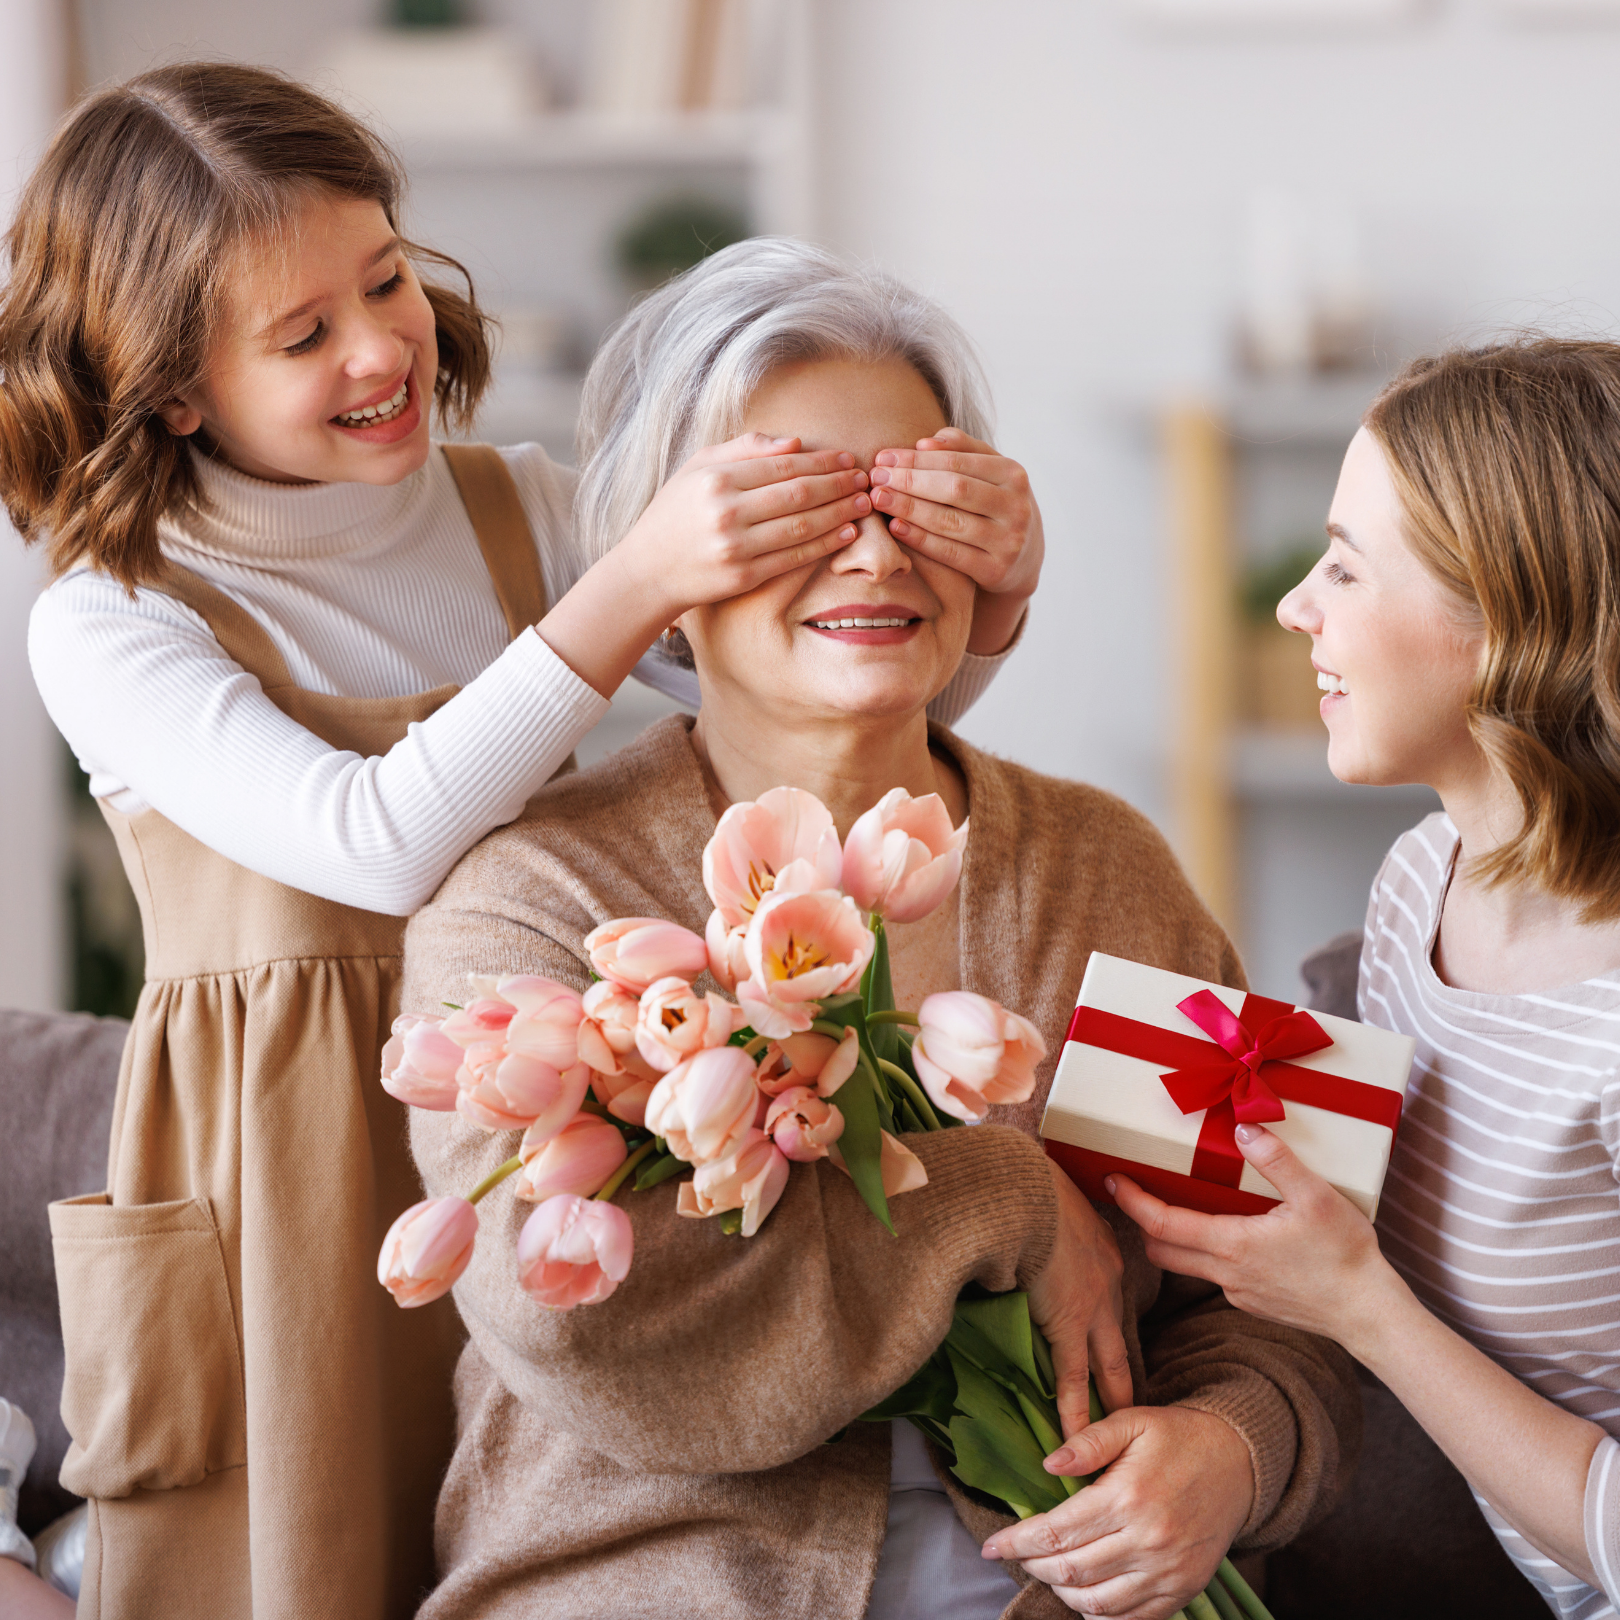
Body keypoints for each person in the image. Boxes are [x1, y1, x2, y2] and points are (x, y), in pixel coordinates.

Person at [0, 66, 1039, 1620]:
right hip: (283, 1163)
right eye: (303, 336)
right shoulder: (110, 612)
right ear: (170, 388)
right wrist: (629, 580)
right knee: (295, 1547)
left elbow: (831, 698)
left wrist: (995, 590)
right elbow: (377, 845)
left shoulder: (521, 513)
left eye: (386, 279)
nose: (378, 347)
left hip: (534, 1124)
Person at [402, 239, 1361, 1620]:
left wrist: (1233, 1449)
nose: (869, 548)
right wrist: (1001, 1197)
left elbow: (1282, 1289)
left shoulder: (1106, 869)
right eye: (793, 499)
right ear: (668, 547)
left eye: (917, 498)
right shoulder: (542, 895)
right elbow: (583, 1319)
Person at [1109, 338, 1620, 1620]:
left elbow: (1362, 1285)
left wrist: (1365, 1312)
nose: (1295, 608)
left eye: (1344, 564)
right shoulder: (1420, 878)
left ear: (1506, 612)